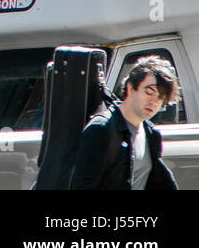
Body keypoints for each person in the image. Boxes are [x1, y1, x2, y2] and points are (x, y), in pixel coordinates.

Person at [70, 56, 179, 190]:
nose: (154, 101)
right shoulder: (102, 129)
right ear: (130, 87)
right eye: (149, 92)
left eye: (160, 97)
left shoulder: (151, 134)